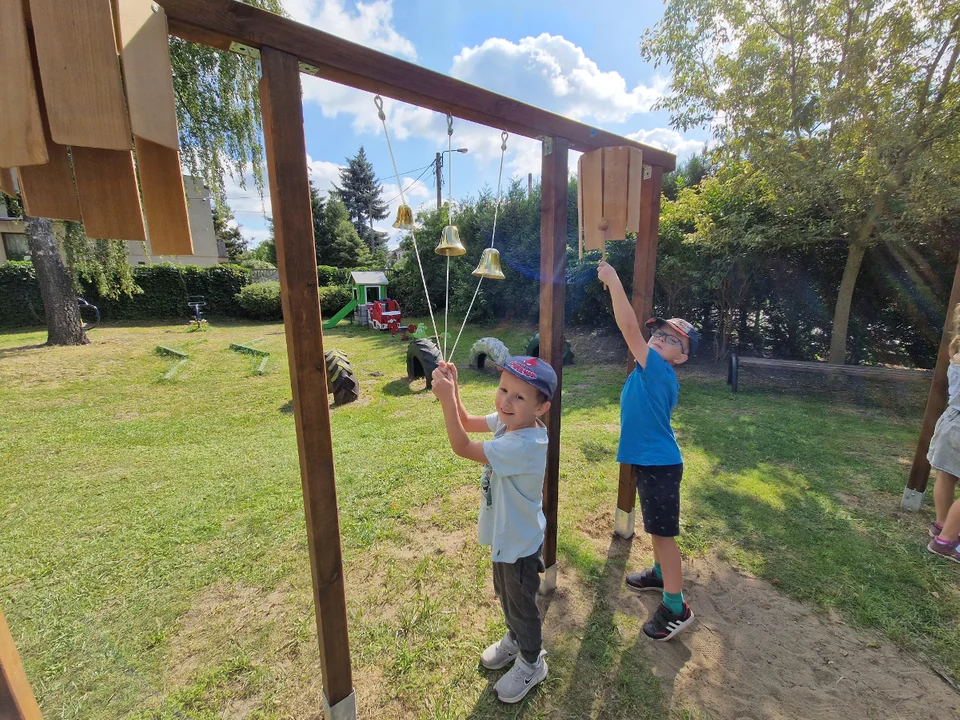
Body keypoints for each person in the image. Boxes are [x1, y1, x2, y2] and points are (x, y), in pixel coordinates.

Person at [431, 354, 557, 703]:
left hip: (519, 542)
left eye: (519, 397)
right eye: (503, 389)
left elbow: (462, 445)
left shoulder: (525, 443)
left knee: (522, 605)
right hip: (506, 538)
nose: (506, 400)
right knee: (506, 595)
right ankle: (515, 639)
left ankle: (532, 661)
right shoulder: (509, 423)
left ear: (541, 408)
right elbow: (468, 422)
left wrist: (443, 398)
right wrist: (454, 390)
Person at [598, 260, 698, 641]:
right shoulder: (651, 369)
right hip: (652, 462)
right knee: (657, 529)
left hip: (661, 465)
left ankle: (677, 606)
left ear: (682, 357)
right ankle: (659, 575)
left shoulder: (657, 369)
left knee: (662, 535)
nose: (660, 338)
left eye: (674, 340)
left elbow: (627, 326)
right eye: (660, 332)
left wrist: (614, 280)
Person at [927, 303, 960, 562]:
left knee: (946, 475)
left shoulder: (956, 351)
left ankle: (941, 525)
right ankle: (946, 541)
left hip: (951, 422)